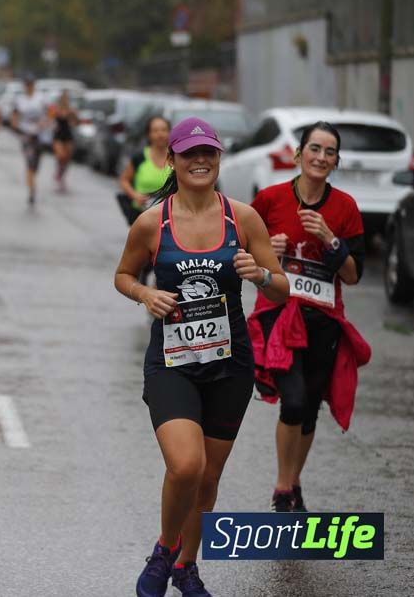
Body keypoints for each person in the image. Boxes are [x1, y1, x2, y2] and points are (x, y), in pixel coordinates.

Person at [114, 117, 288, 597]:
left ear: (218, 159)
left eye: (208, 153)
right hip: (172, 362)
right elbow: (123, 276)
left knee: (209, 477)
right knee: (186, 466)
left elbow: (282, 285)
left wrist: (259, 274)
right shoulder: (153, 222)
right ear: (172, 159)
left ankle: (187, 568)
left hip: (229, 363)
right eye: (189, 153)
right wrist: (145, 297)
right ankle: (164, 550)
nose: (200, 161)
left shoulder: (243, 217)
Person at [246, 122, 372, 513]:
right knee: (294, 398)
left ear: (336, 162)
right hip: (279, 314)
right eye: (314, 149)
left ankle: (293, 481)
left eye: (329, 152)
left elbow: (352, 275)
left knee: (311, 402)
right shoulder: (269, 200)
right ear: (298, 155)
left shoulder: (345, 208)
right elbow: (241, 255)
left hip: (324, 320)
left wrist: (331, 240)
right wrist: (268, 248)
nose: (321, 157)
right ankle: (283, 489)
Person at [118, 116, 174, 283]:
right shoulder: (139, 158)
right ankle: (143, 273)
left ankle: (159, 280)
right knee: (148, 249)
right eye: (155, 130)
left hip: (168, 214)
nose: (160, 134)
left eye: (164, 130)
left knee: (164, 249)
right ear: (149, 135)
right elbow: (124, 180)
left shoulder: (176, 158)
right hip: (141, 213)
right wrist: (135, 195)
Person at [10, 75, 49, 205]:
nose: (28, 87)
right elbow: (14, 116)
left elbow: (50, 113)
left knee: (36, 165)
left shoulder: (41, 98)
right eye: (27, 84)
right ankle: (32, 191)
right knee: (30, 164)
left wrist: (44, 123)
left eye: (30, 84)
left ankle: (32, 181)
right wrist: (16, 127)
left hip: (39, 135)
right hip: (26, 135)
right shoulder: (20, 99)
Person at [51, 91, 78, 192]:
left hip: (67, 135)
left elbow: (75, 122)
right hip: (58, 135)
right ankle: (58, 174)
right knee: (60, 156)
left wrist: (73, 115)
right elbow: (50, 119)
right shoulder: (55, 109)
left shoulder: (71, 110)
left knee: (67, 158)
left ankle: (61, 176)